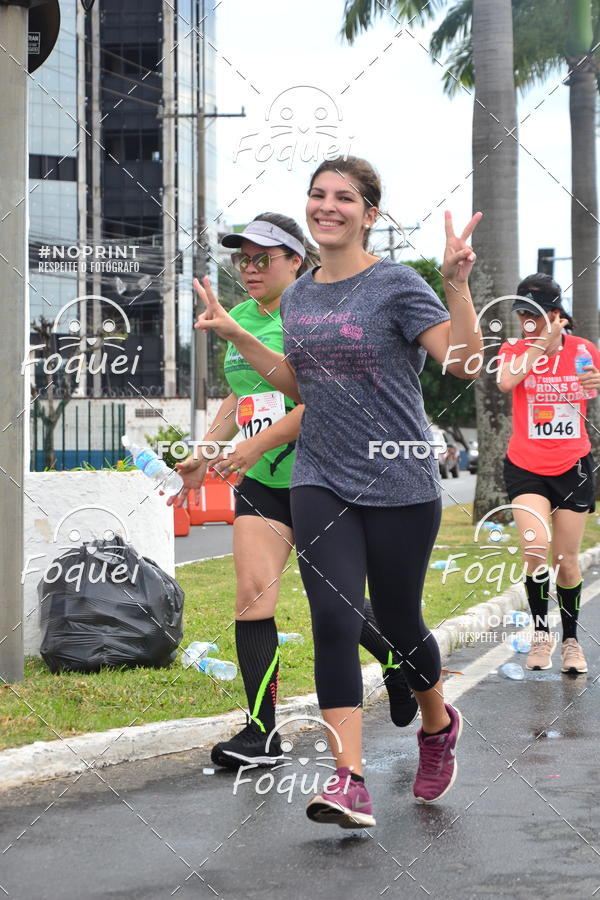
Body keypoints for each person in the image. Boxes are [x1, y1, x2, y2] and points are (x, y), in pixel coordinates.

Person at [192, 156, 483, 828]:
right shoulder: (300, 296)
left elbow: (463, 365)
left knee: (403, 624)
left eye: (344, 198)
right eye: (318, 195)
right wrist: (238, 335)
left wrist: (458, 286)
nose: (328, 206)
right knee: (334, 619)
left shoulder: (398, 286)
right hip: (320, 476)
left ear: (369, 214)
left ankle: (438, 725)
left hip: (400, 480)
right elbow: (300, 385)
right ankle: (348, 778)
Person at [172, 212, 419, 771]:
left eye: (264, 258)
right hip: (263, 484)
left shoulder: (315, 315)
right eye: (242, 258)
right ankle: (262, 733)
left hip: (323, 479)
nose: (250, 268)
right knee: (252, 594)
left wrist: (258, 447)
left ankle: (400, 660)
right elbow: (242, 396)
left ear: (296, 260)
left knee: (334, 605)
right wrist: (206, 452)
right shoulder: (235, 315)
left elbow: (325, 400)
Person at [498, 273, 600, 674]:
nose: (526, 321)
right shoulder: (514, 349)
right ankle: (542, 635)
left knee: (566, 560)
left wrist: (596, 380)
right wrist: (539, 343)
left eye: (535, 315)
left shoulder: (582, 349)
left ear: (556, 314)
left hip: (573, 465)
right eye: (522, 313)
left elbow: (591, 385)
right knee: (535, 548)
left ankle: (571, 642)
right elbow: (507, 381)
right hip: (526, 466)